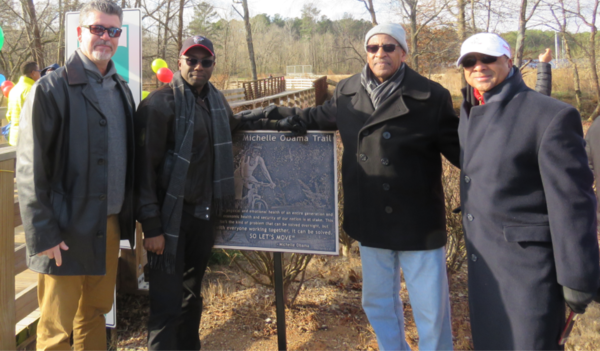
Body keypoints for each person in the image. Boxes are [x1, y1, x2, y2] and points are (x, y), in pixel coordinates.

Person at [241, 23, 460, 351]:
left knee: (431, 311)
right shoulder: (347, 93)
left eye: (388, 47)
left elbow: (462, 152)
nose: (380, 54)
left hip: (418, 222)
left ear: (403, 51)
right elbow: (312, 116)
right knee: (378, 303)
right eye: (373, 48)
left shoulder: (431, 96)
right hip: (371, 218)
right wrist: (265, 116)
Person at [457, 33, 600, 351]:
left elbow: (573, 203)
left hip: (527, 272)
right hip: (486, 266)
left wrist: (577, 276)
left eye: (488, 58)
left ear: (508, 61)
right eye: (469, 61)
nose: (478, 66)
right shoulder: (470, 111)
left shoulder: (550, 115)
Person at [16, 0, 136, 351]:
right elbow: (29, 169)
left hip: (108, 224)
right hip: (63, 232)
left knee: (95, 312)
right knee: (55, 329)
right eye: (98, 28)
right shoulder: (50, 90)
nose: (106, 37)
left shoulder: (121, 90)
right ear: (80, 32)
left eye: (113, 31)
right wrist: (44, 233)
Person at [135, 35, 268, 350]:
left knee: (192, 300)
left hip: (203, 217)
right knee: (165, 307)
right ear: (178, 62)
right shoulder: (158, 104)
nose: (198, 66)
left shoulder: (216, 101)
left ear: (213, 65)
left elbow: (233, 127)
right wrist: (151, 226)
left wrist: (280, 118)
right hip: (170, 222)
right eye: (191, 60)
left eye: (205, 61)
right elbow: (143, 172)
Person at [6, 61, 40, 146]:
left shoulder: (14, 89)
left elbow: (9, 115)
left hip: (14, 137)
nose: (40, 73)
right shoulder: (31, 90)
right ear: (33, 73)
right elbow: (37, 115)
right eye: (39, 71)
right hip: (27, 137)